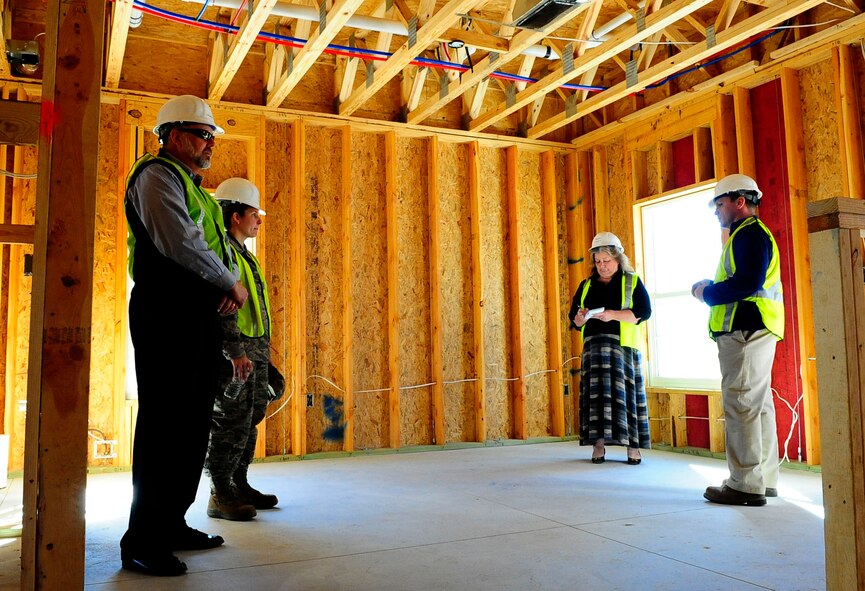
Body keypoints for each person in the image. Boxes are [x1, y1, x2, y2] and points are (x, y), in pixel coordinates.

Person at [121, 95, 249, 576]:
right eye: (202, 135)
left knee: (192, 424)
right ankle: (142, 540)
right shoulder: (156, 175)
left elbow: (207, 246)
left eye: (211, 136)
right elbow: (180, 242)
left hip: (194, 314)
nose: (209, 144)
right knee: (165, 426)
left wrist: (217, 290)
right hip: (166, 311)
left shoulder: (193, 186)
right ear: (174, 136)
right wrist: (226, 282)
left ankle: (171, 523)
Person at [691, 173, 784, 507]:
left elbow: (746, 283)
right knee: (757, 407)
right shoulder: (749, 236)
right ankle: (763, 480)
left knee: (741, 403)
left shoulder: (748, 235)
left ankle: (745, 484)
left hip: (745, 332)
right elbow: (744, 280)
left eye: (720, 204)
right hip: (757, 329)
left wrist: (706, 293)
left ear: (738, 202)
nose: (717, 211)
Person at [206, 178, 284, 521]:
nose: (259, 220)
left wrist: (259, 349)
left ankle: (239, 484)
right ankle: (220, 494)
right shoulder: (221, 253)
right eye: (254, 214)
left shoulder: (243, 255)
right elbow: (223, 309)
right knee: (230, 422)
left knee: (249, 417)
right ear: (235, 216)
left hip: (253, 350)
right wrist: (235, 351)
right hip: (235, 353)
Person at [569, 232, 652, 465]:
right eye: (598, 261)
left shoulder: (632, 281)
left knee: (626, 398)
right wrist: (580, 317)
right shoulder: (586, 285)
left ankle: (633, 448)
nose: (602, 266)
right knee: (597, 400)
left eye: (606, 261)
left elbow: (643, 312)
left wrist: (612, 315)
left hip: (623, 350)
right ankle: (598, 446)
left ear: (618, 259)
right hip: (593, 350)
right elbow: (574, 320)